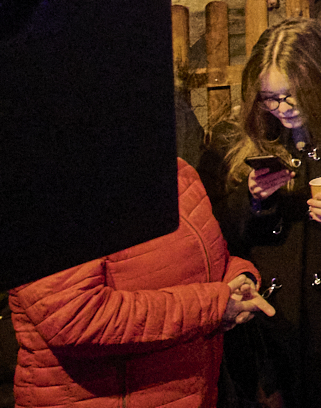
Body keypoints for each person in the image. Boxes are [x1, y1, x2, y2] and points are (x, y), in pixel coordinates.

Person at [201, 18, 321, 407]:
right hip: (270, 343)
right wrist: (252, 201)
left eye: (293, 96)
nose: (282, 109)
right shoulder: (232, 143)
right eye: (269, 98)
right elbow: (210, 237)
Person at [10, 161, 268, 408]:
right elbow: (75, 318)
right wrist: (214, 305)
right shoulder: (46, 192)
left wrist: (240, 277)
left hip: (193, 394)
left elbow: (210, 258)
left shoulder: (176, 172)